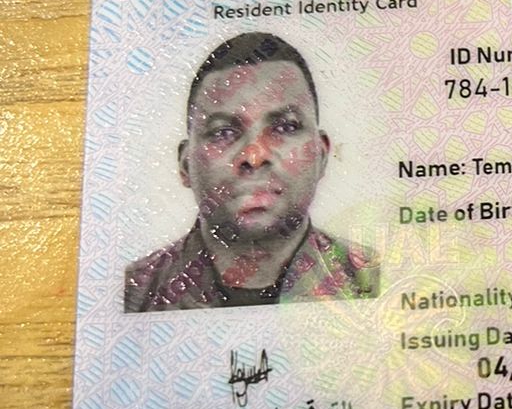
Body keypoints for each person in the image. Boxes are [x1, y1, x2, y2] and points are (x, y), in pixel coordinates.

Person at [125, 31, 378, 311]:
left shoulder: (379, 280)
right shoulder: (132, 295)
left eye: (285, 127)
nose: (254, 157)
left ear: (321, 155)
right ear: (186, 165)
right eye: (223, 132)